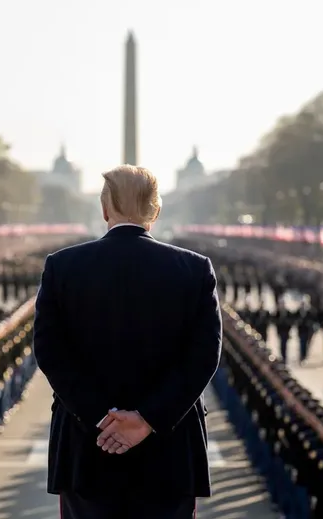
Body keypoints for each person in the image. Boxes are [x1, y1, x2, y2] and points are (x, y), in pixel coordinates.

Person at [33, 165, 222, 519]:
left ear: (104, 210)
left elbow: (50, 352)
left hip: (87, 445)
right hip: (169, 446)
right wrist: (148, 418)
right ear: (156, 210)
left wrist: (101, 417)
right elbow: (203, 358)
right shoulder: (194, 269)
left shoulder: (62, 267)